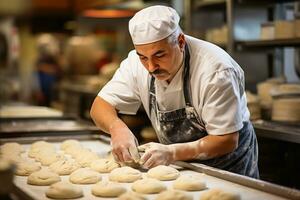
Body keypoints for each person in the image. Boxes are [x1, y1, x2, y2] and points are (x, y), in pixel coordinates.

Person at [90, 5, 259, 178]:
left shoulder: (216, 70)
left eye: (160, 55)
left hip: (228, 167)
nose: (151, 67)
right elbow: (100, 105)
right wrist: (117, 127)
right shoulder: (135, 63)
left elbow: (226, 140)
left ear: (180, 42)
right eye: (143, 57)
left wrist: (171, 153)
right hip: (180, 166)